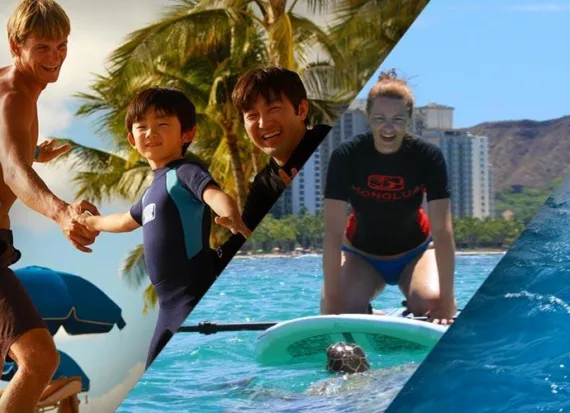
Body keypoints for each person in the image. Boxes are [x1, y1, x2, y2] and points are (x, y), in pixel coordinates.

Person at [81, 87, 251, 367]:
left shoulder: (185, 173)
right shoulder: (150, 192)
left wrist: (230, 214)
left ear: (187, 134)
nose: (150, 132)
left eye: (161, 124)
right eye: (142, 127)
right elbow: (124, 221)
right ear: (131, 139)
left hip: (192, 294)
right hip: (168, 307)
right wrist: (89, 222)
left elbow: (214, 195)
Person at [0, 1, 99, 411]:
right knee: (39, 358)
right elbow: (10, 166)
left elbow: (10, 152)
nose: (55, 57)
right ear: (16, 46)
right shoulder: (13, 96)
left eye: (62, 46)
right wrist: (62, 213)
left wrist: (36, 151)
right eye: (43, 47)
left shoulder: (15, 90)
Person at [321, 70, 457, 325]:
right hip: (360, 256)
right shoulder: (346, 156)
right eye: (380, 118)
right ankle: (366, 312)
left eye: (397, 119)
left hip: (415, 253)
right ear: (368, 117)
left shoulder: (428, 157)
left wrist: (448, 300)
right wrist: (331, 299)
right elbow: (331, 233)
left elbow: (442, 230)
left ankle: (417, 302)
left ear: (410, 119)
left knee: (432, 303)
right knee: (342, 307)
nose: (388, 128)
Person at [214, 66, 332, 273]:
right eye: (251, 115)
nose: (263, 123)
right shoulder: (264, 185)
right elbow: (240, 242)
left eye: (273, 109)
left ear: (301, 110)